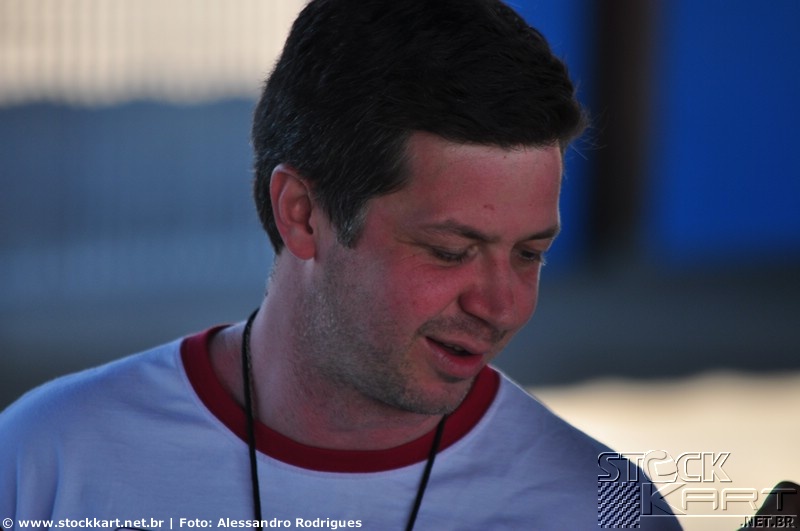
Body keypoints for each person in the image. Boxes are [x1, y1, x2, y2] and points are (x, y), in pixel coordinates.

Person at [0, 1, 682, 529]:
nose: (501, 306)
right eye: (450, 252)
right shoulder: (47, 460)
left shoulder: (601, 508)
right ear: (302, 214)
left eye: (530, 254)